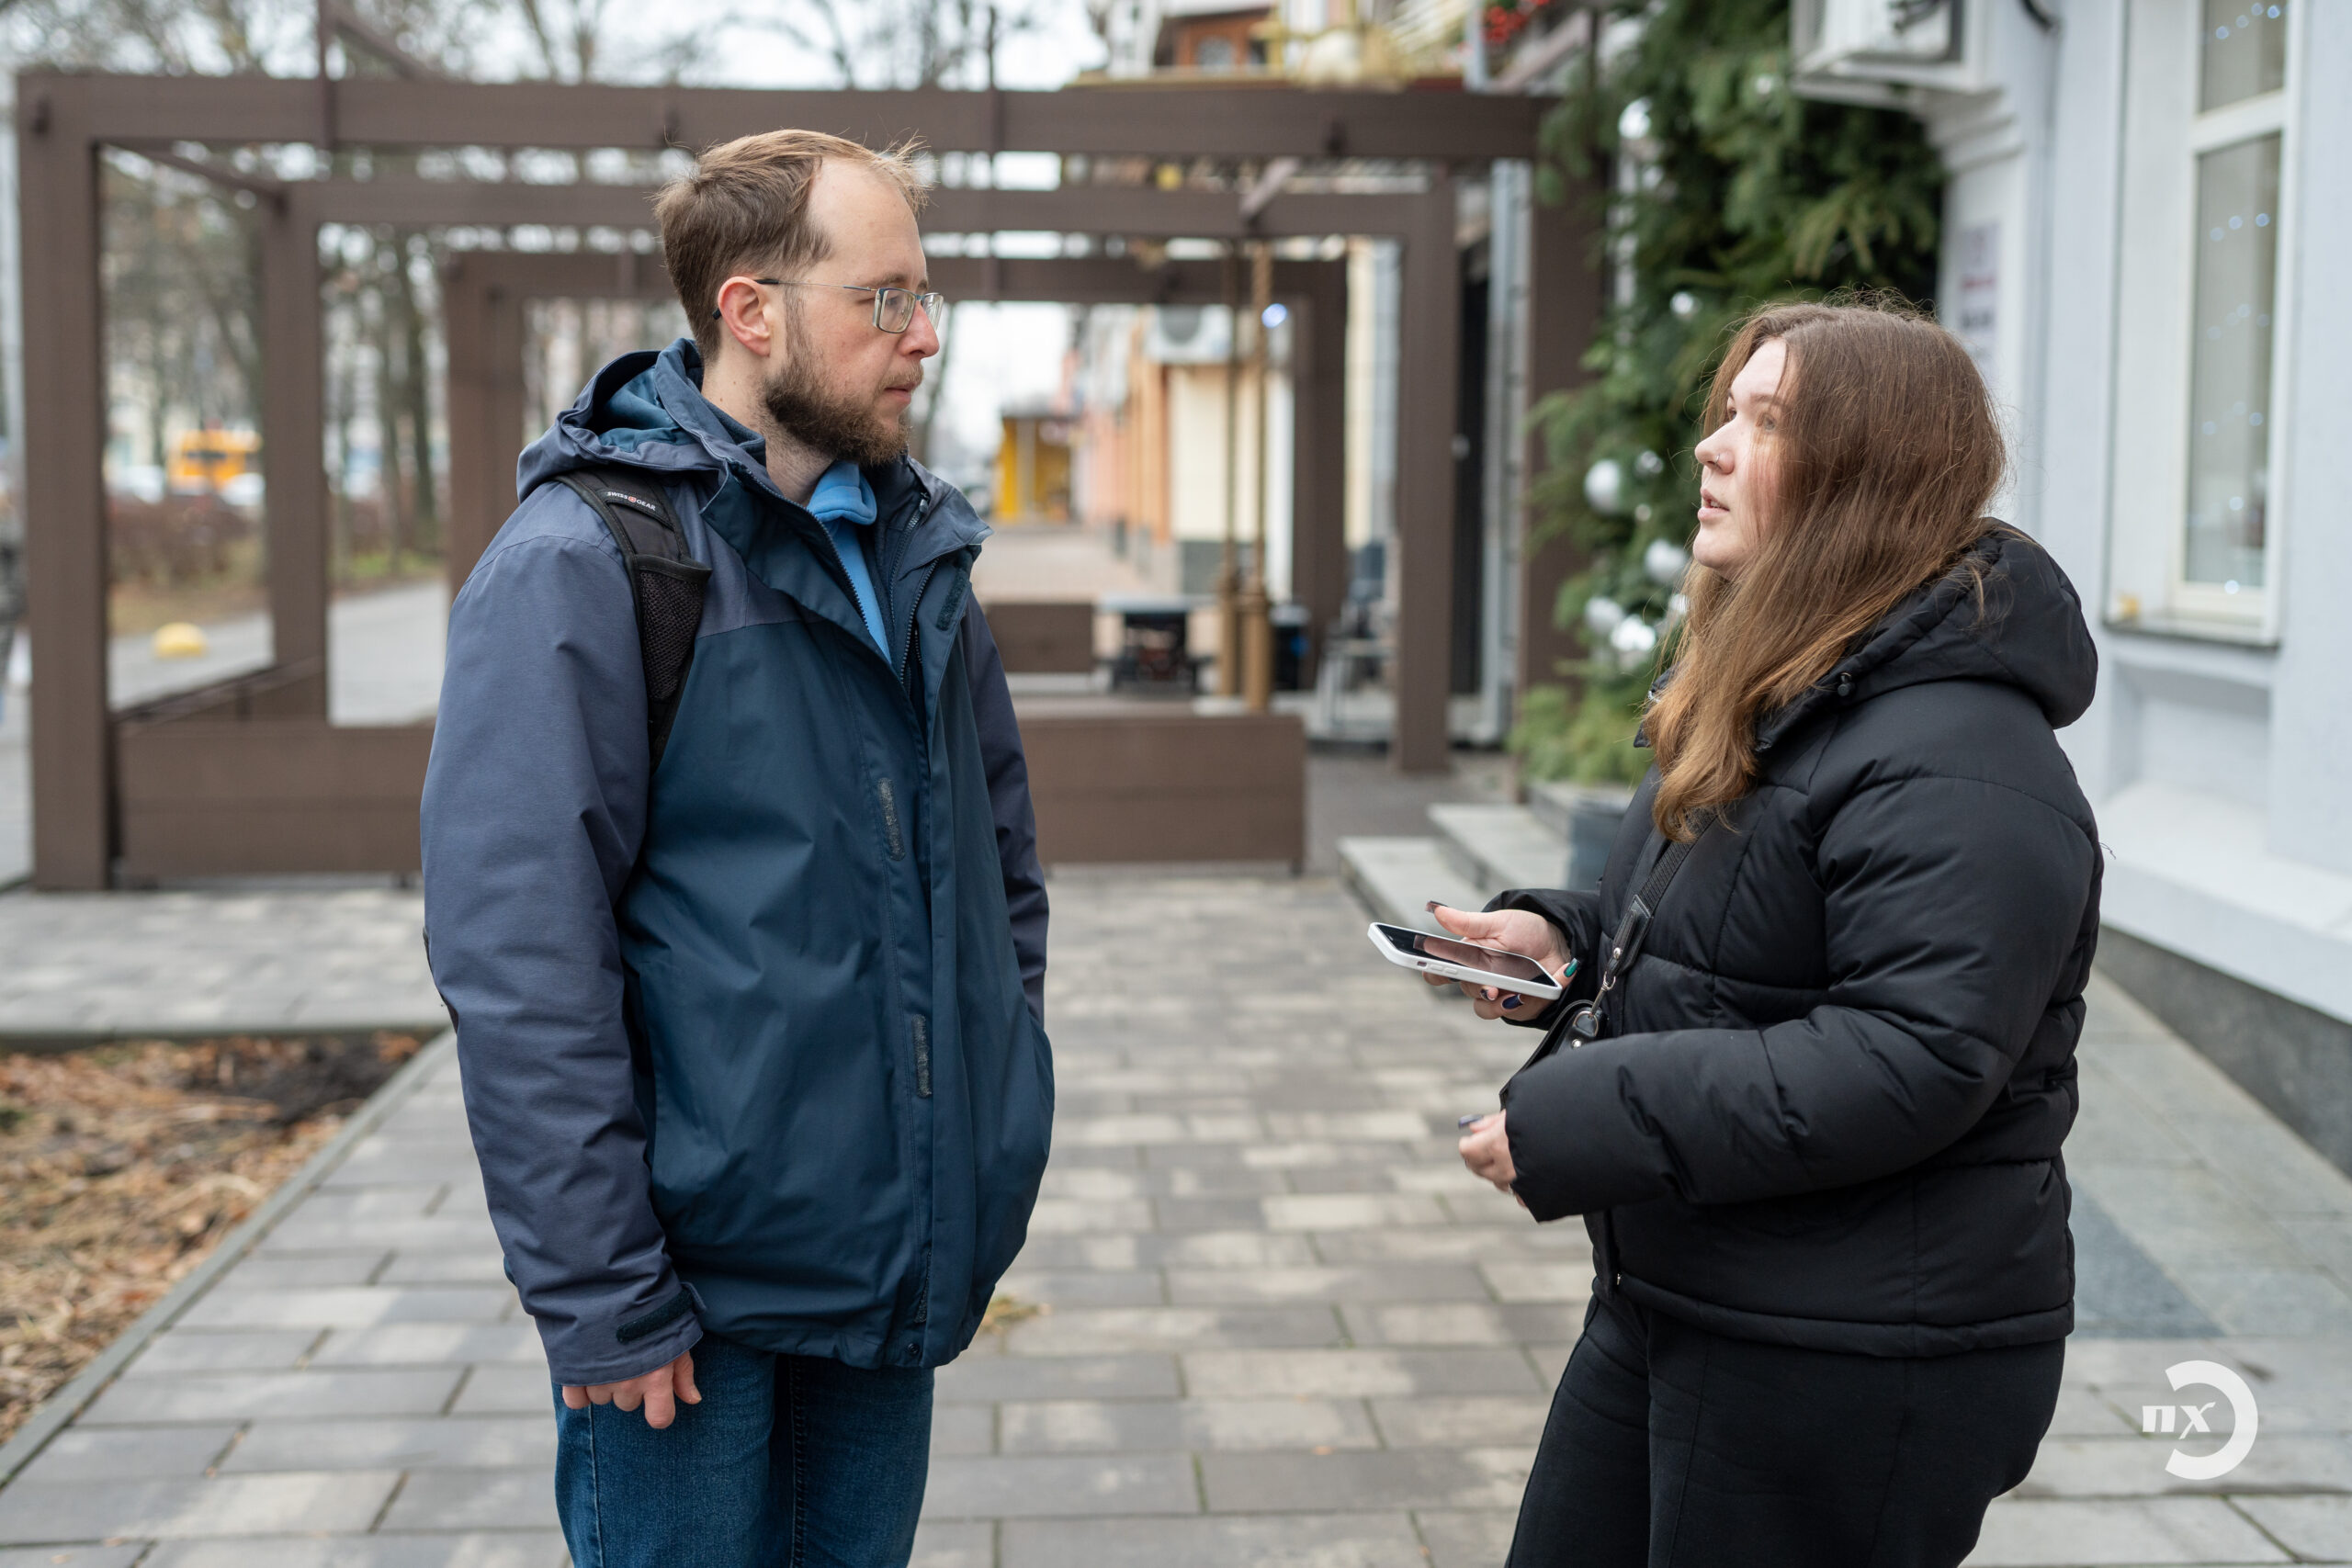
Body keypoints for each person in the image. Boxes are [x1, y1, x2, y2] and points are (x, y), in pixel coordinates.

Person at [419, 130, 1052, 1568]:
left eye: (925, 293)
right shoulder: (586, 566)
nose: (924, 335)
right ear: (751, 312)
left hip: (892, 1270)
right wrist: (601, 1295)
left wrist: (992, 1107)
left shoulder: (918, 554)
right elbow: (520, 966)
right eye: (884, 298)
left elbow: (1000, 874)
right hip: (685, 1318)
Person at [1435, 299, 2099, 1566]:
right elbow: (1739, 927)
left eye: (1768, 420)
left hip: (1848, 1354)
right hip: (1692, 1295)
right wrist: (1563, 944)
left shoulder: (1960, 752)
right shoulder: (1795, 686)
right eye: (1727, 412)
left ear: (1865, 474)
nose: (1713, 449)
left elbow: (1912, 1056)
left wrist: (1593, 1112)